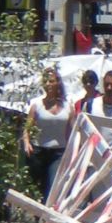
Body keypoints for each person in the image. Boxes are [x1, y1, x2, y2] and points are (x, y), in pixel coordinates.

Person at [23, 67, 71, 197]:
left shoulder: (68, 106)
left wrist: (72, 149)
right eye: (46, 82)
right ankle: (37, 216)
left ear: (58, 83)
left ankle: (46, 215)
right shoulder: (37, 105)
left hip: (58, 152)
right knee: (37, 187)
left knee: (52, 187)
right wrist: (26, 143)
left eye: (51, 81)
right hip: (38, 151)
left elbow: (71, 129)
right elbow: (27, 128)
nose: (48, 84)